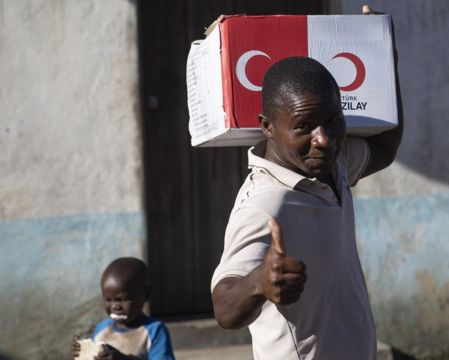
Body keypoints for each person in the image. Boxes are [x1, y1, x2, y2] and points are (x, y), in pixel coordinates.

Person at [211, 9, 402, 360]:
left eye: (333, 120)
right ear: (267, 126)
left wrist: (384, 59)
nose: (324, 139)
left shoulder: (333, 165)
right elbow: (224, 308)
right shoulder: (266, 203)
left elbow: (385, 148)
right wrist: (259, 282)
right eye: (304, 126)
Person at [72, 257, 175, 360]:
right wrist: (84, 353)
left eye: (123, 299)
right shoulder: (102, 330)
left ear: (146, 295)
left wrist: (123, 359)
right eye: (108, 300)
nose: (116, 306)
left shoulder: (154, 331)